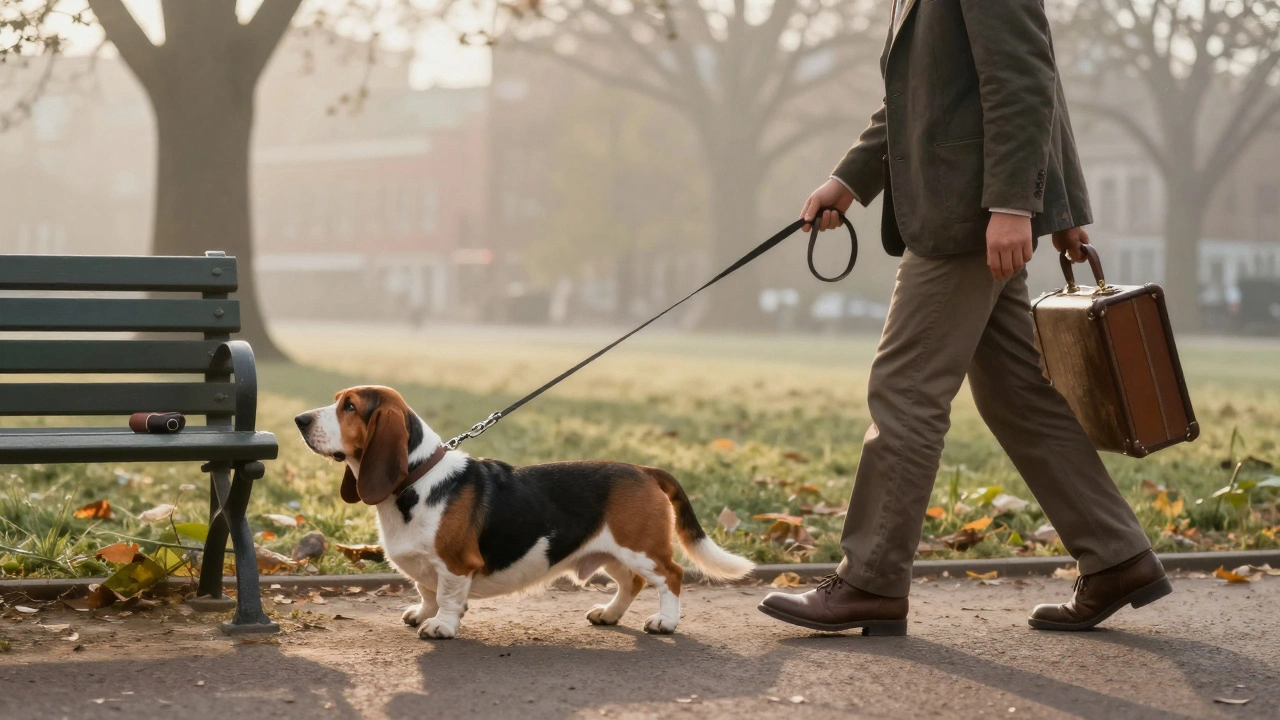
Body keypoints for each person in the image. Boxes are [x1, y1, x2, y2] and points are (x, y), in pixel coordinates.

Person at [757, 0, 1170, 635]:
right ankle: (1118, 558)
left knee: (906, 387)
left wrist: (1015, 205)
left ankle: (870, 580)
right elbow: (919, 101)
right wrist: (849, 180)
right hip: (970, 211)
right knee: (1016, 395)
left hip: (970, 216)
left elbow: (1025, 78)